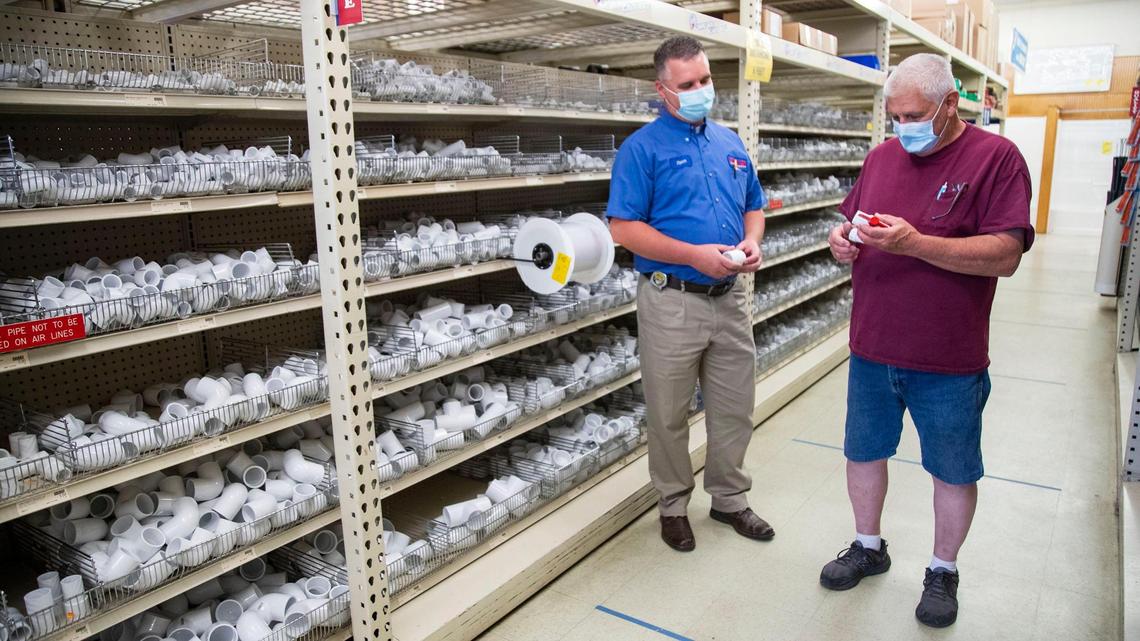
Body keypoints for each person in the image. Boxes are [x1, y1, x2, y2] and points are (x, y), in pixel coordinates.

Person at [819, 53, 1034, 628]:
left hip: (949, 355)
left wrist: (919, 244)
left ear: (950, 105)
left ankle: (943, 568)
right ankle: (868, 544)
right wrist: (842, 240)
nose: (902, 127)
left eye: (914, 115)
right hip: (872, 346)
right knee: (862, 451)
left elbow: (1006, 254)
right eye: (894, 116)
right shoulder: (882, 157)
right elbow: (850, 224)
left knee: (953, 468)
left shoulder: (996, 159)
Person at [606, 35, 774, 552]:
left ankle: (728, 500)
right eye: (688, 85)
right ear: (663, 90)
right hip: (671, 298)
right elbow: (622, 230)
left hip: (731, 294)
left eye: (705, 80)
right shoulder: (641, 150)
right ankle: (673, 504)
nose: (701, 90)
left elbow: (755, 206)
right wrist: (693, 255)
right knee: (669, 410)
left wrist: (751, 241)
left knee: (734, 405)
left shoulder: (729, 143)